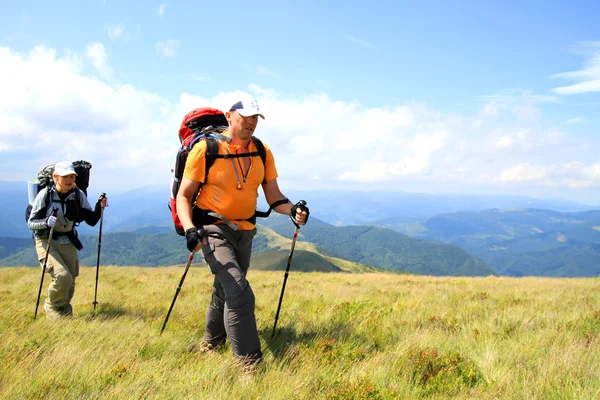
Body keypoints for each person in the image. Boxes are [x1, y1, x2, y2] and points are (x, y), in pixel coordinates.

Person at [176, 94, 309, 367]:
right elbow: (184, 196)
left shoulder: (262, 150)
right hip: (212, 228)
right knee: (239, 292)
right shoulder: (206, 149)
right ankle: (249, 364)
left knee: (224, 290)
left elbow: (273, 196)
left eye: (255, 118)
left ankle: (211, 344)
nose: (250, 123)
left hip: (246, 230)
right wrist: (190, 229)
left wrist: (293, 210)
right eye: (245, 117)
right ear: (229, 116)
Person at [27, 161, 108, 320]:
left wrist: (100, 207)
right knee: (62, 276)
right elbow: (31, 222)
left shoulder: (77, 194)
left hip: (68, 239)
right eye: (65, 177)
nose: (69, 180)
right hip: (47, 239)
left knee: (71, 278)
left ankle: (64, 309)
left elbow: (91, 220)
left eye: (72, 176)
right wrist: (45, 223)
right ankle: (52, 306)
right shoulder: (45, 195)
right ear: (55, 177)